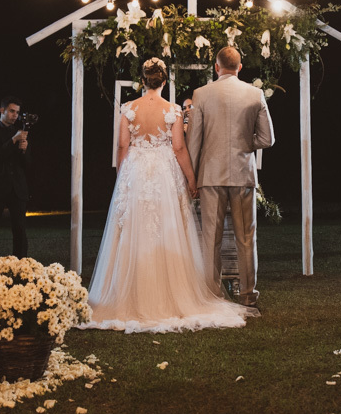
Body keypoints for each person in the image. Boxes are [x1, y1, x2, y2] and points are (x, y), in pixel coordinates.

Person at [86, 58, 254, 332]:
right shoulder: (173, 110)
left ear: (142, 81)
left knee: (132, 229)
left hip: (136, 173)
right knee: (167, 227)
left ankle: (129, 294)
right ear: (164, 81)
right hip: (163, 174)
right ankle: (170, 293)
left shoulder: (128, 109)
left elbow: (122, 146)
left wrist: (122, 176)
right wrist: (191, 179)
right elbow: (179, 148)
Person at [187, 47, 276, 309]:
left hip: (210, 175)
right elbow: (267, 139)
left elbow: (194, 141)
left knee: (210, 240)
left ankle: (212, 296)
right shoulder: (255, 93)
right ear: (240, 67)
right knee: (246, 238)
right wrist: (245, 143)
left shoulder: (201, 94)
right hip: (242, 173)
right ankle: (248, 296)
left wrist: (191, 177)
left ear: (216, 67)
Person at [0, 94, 29, 258]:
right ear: (2, 110)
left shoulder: (19, 132)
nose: (15, 115)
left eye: (17, 112)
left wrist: (24, 150)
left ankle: (21, 264)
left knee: (20, 230)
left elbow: (27, 164)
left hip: (17, 188)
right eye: (12, 111)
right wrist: (13, 141)